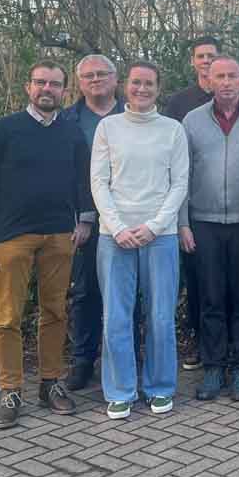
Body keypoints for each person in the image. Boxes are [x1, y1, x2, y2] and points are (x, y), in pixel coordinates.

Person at [0, 60, 90, 429]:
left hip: (59, 236)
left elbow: (83, 179)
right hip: (10, 238)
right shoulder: (3, 129)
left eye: (54, 84)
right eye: (40, 82)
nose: (46, 89)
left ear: (64, 90)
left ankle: (50, 383)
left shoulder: (72, 132)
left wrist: (85, 219)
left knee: (55, 313)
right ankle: (11, 390)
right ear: (27, 87)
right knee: (8, 318)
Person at [91, 61, 189, 419]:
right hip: (114, 237)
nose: (142, 89)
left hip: (159, 236)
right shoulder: (108, 127)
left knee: (161, 315)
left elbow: (179, 183)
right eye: (136, 83)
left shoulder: (173, 130)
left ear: (158, 88)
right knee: (116, 316)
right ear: (125, 86)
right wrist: (118, 227)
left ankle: (160, 387)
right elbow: (99, 182)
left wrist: (155, 225)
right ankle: (120, 390)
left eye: (149, 83)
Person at [180, 56, 239, 402]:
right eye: (218, 76)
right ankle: (212, 367)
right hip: (202, 223)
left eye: (231, 76)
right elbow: (180, 176)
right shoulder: (191, 121)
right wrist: (182, 224)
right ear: (208, 80)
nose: (225, 82)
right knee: (209, 297)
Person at [61, 55, 125, 390]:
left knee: (128, 291)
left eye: (102, 74)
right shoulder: (66, 119)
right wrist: (80, 217)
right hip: (84, 221)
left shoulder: (135, 114)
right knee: (85, 291)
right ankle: (84, 359)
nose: (95, 80)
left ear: (116, 79)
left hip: (129, 218)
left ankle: (125, 356)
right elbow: (64, 173)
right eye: (88, 75)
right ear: (79, 82)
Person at [164, 36, 220, 371]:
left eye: (212, 55)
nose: (206, 61)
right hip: (193, 207)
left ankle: (231, 344)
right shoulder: (178, 102)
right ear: (193, 61)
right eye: (201, 56)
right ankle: (198, 343)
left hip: (235, 210)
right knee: (198, 281)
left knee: (231, 281)